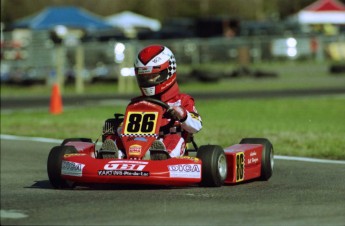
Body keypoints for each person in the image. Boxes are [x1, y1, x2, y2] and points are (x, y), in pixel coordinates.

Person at [100, 45, 202, 159]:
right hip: (139, 143)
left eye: (154, 76)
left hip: (168, 141)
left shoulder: (182, 100)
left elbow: (197, 125)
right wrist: (120, 128)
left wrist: (183, 115)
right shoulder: (137, 103)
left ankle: (163, 156)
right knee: (116, 138)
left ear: (169, 71)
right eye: (145, 77)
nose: (149, 81)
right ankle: (113, 156)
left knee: (174, 138)